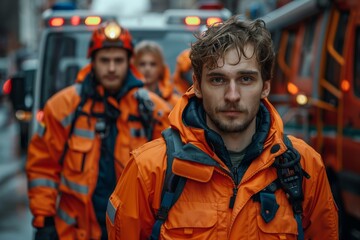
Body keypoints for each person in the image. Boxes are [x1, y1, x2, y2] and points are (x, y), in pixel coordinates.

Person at [106, 16, 339, 240]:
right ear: (197, 85)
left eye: (246, 79)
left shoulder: (305, 166)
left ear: (265, 87)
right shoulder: (149, 169)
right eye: (218, 80)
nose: (232, 95)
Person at [26, 20, 171, 240]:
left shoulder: (153, 110)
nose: (111, 68)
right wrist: (44, 221)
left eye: (118, 60)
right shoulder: (62, 107)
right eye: (104, 60)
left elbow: (172, 174)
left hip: (132, 232)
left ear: (129, 63)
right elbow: (42, 168)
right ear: (92, 62)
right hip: (75, 232)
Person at [133, 40, 180, 108]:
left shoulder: (175, 102)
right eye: (142, 64)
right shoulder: (127, 100)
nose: (147, 69)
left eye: (153, 64)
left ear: (161, 68)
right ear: (134, 67)